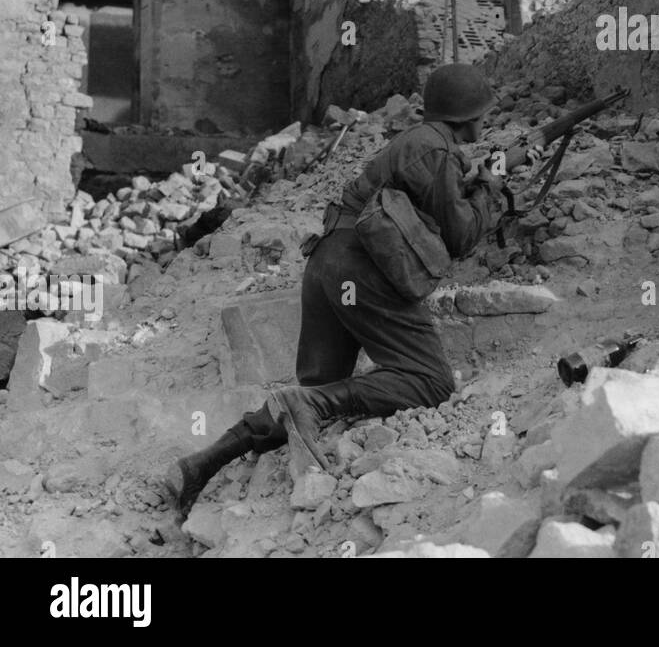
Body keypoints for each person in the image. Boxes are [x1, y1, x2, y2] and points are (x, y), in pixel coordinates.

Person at [166, 63, 524, 520]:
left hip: (328, 263)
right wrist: (493, 187)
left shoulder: (417, 143)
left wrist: (477, 177)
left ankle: (201, 464)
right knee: (431, 381)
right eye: (483, 113)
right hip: (365, 267)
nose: (486, 121)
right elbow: (460, 236)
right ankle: (310, 403)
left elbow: (430, 199)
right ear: (466, 115)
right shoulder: (438, 151)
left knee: (311, 391)